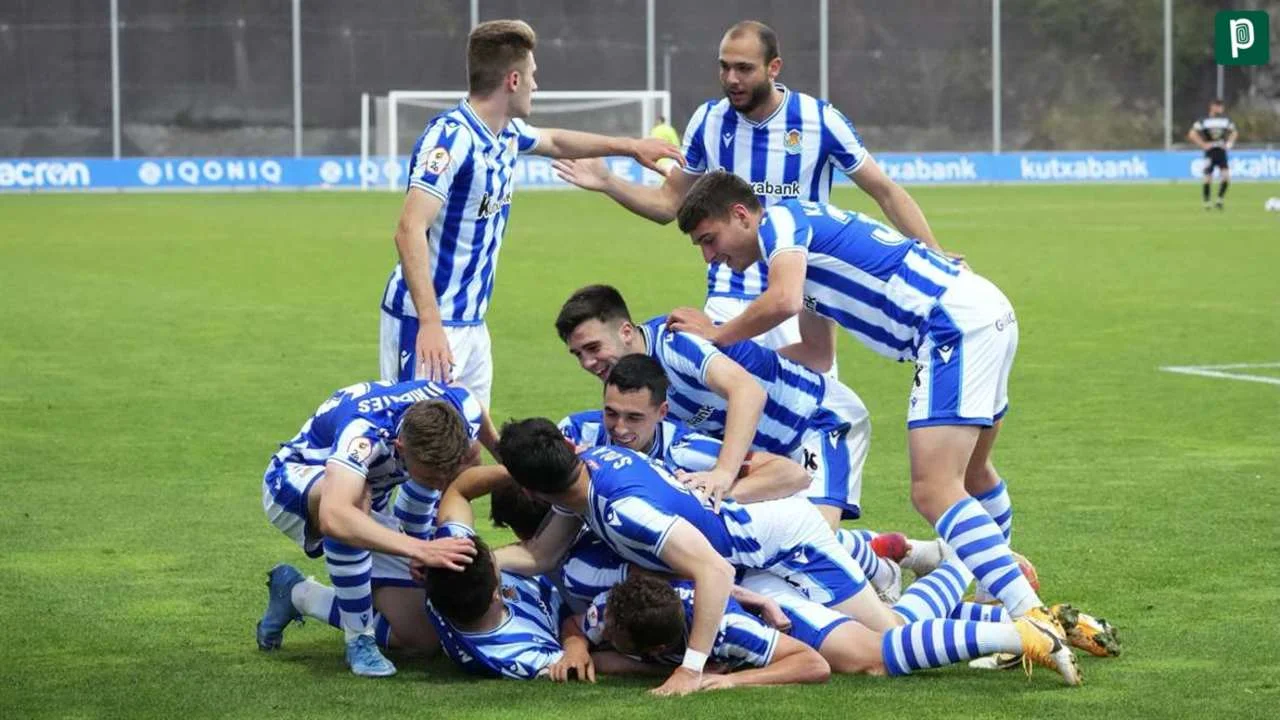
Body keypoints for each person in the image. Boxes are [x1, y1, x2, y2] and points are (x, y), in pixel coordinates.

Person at [667, 172, 1056, 634]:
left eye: (709, 240)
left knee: (933, 489)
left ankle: (1030, 617)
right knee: (972, 474)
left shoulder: (781, 223)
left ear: (741, 216)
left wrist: (716, 336)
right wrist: (737, 364)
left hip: (948, 325)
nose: (709, 256)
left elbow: (783, 301)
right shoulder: (798, 250)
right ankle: (998, 601)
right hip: (981, 312)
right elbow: (816, 353)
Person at [553, 20, 944, 357]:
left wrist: (936, 255)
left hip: (801, 294)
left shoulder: (819, 120)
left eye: (744, 68)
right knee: (726, 398)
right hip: (730, 291)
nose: (731, 79)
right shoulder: (708, 121)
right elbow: (668, 204)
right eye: (724, 67)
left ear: (774, 68)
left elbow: (885, 190)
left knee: (809, 404)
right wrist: (608, 182)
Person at [380, 19, 683, 407]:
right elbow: (408, 229)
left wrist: (630, 146)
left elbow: (555, 140)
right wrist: (430, 322)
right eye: (532, 75)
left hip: (472, 322)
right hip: (426, 321)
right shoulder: (451, 138)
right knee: (417, 436)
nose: (536, 85)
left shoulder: (506, 132)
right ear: (513, 80)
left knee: (469, 435)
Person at [490, 418, 901, 697]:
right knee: (864, 655)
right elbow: (541, 554)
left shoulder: (625, 511)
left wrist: (691, 668)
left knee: (889, 643)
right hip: (748, 566)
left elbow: (714, 571)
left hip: (788, 547)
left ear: (529, 490)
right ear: (569, 446)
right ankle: (889, 564)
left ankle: (931, 569)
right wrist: (484, 560)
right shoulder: (588, 470)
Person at [554, 285, 874, 531]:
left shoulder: (675, 343)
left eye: (593, 348)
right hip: (770, 449)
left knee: (816, 539)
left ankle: (882, 568)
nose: (587, 363)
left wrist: (723, 474)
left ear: (626, 332)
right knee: (763, 534)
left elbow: (747, 392)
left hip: (818, 420)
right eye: (577, 354)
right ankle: (883, 553)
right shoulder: (630, 381)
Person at [256, 380, 490, 677]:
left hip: (364, 497)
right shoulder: (363, 435)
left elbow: (471, 403)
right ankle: (359, 640)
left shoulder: (461, 407)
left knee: (424, 638)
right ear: (401, 448)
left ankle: (298, 595)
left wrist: (512, 463)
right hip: (295, 484)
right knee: (355, 504)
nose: (443, 484)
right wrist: (421, 548)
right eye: (433, 477)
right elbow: (334, 515)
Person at [559, 353, 811, 505]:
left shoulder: (685, 450)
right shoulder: (577, 431)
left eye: (634, 417)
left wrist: (709, 497)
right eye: (611, 413)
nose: (620, 428)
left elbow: (793, 474)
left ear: (662, 413)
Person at [1187, 99, 1238, 211]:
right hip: (1210, 152)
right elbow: (1192, 133)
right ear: (1212, 107)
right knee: (1207, 178)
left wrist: (1229, 143)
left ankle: (1219, 200)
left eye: (1221, 106)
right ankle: (1207, 202)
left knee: (1226, 177)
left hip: (1221, 151)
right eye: (1219, 106)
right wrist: (1202, 144)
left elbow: (1234, 132)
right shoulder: (1204, 121)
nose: (1221, 109)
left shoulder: (1225, 121)